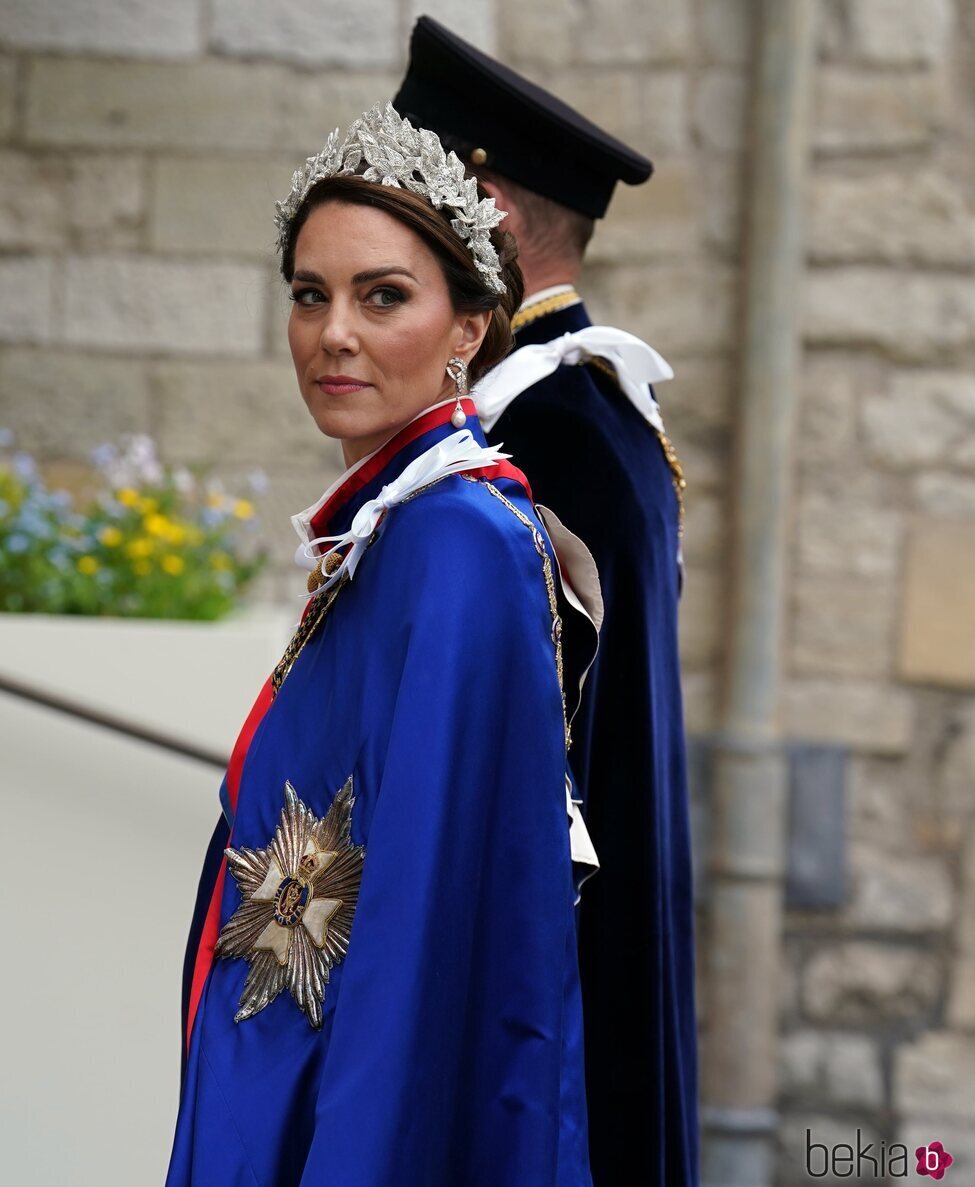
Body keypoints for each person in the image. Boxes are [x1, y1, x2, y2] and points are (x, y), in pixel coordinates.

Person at [167, 102, 604, 1187]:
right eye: (309, 295)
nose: (333, 334)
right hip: (289, 1072)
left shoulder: (455, 540)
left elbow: (423, 924)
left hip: (346, 1110)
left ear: (468, 327)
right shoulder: (399, 521)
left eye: (383, 296)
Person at [395, 19, 700, 1187]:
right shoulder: (587, 410)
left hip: (543, 987)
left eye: (411, 196)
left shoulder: (540, 432)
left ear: (487, 208)